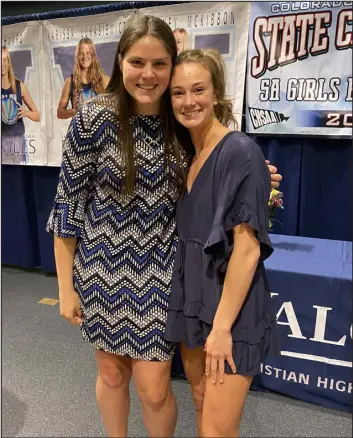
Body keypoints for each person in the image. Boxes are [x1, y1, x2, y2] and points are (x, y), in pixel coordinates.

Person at [47, 15, 281, 438]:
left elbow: (220, 163)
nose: (148, 74)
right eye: (138, 61)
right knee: (111, 374)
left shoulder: (179, 121)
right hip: (100, 273)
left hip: (161, 276)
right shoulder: (93, 119)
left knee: (154, 389)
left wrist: (260, 177)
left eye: (159, 64)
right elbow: (67, 206)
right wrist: (66, 289)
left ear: (172, 66)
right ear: (120, 62)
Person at [164, 48, 280, 438]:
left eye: (198, 89)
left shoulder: (240, 151)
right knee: (200, 404)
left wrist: (222, 329)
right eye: (178, 93)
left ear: (216, 94)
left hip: (231, 312)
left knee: (217, 429)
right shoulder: (187, 156)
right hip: (193, 300)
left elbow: (247, 250)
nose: (188, 101)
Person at [1, 46, 40, 164]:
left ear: (8, 62)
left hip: (17, 140)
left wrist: (26, 112)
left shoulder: (19, 86)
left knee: (17, 177)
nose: (2, 64)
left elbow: (37, 116)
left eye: (4, 60)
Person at [57, 37, 110, 119]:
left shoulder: (104, 79)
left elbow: (115, 106)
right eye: (81, 53)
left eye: (88, 53)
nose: (85, 56)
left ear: (93, 55)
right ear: (77, 56)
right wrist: (73, 111)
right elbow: (60, 113)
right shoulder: (70, 81)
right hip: (79, 130)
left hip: (100, 129)